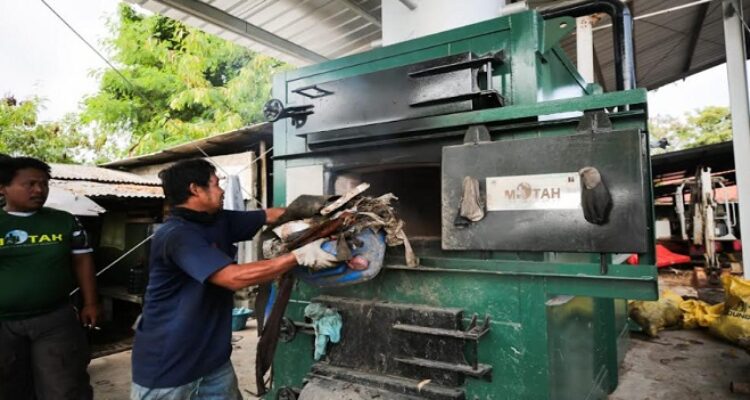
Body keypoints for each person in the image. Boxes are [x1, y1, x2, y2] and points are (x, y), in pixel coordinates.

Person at [131, 159, 337, 399]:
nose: (221, 190)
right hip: (168, 370)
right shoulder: (176, 235)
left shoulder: (218, 219)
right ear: (195, 189)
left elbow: (271, 216)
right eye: (216, 184)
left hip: (214, 364)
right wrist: (300, 255)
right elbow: (233, 278)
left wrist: (326, 213)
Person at [0, 156, 101, 400]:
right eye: (30, 184)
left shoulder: (63, 220)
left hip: (55, 319)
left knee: (64, 386)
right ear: (3, 188)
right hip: (3, 324)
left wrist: (90, 302)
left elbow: (82, 260)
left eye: (44, 184)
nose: (39, 190)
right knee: (9, 386)